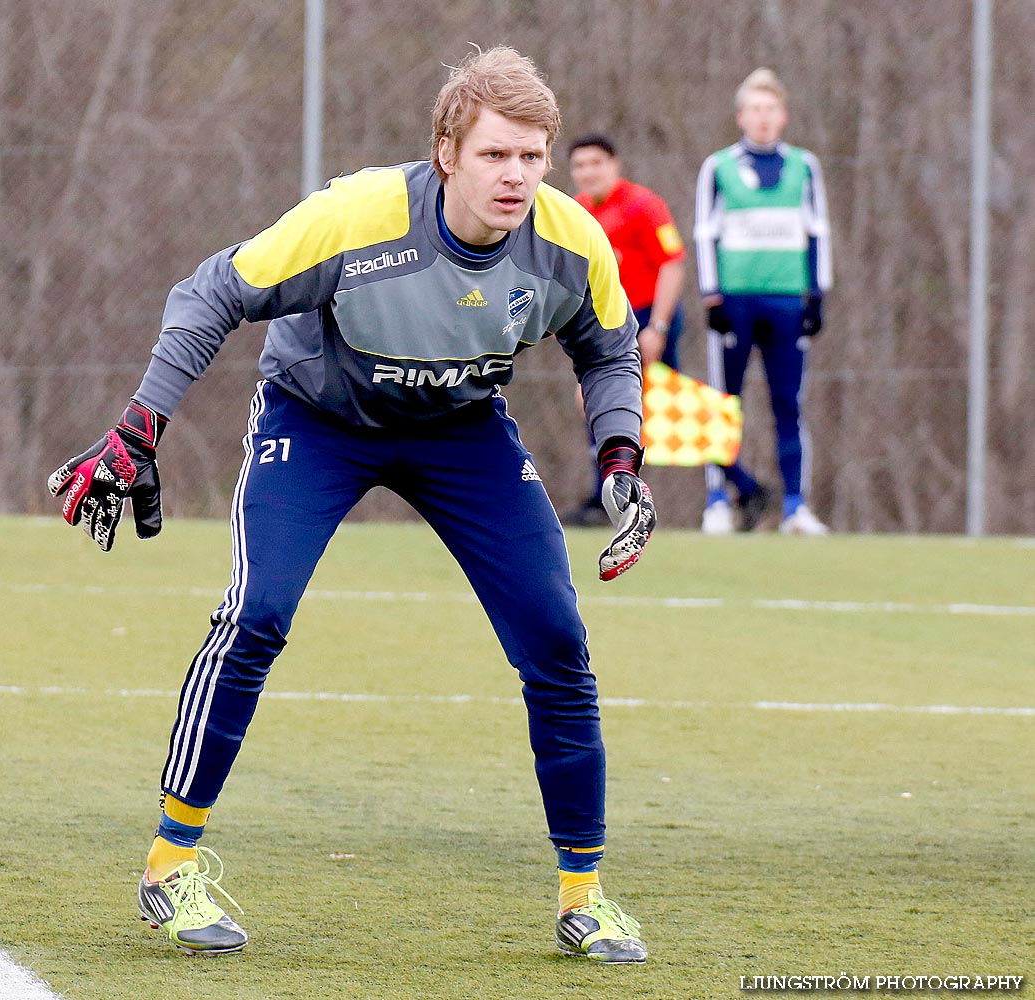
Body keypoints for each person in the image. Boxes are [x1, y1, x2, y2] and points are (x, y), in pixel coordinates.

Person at [48, 47, 656, 964]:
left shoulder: (571, 242)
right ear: (447, 150)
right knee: (256, 615)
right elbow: (210, 290)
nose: (518, 177)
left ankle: (585, 896)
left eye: (533, 157)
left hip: (459, 429)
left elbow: (610, 350)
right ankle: (168, 867)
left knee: (558, 642)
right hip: (318, 419)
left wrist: (620, 455)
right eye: (496, 155)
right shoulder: (356, 216)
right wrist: (140, 427)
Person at [693, 67, 832, 535]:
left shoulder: (804, 166)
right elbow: (705, 231)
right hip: (737, 301)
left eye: (771, 109)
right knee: (724, 401)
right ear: (740, 116)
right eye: (755, 109)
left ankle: (795, 505)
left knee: (788, 404)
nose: (763, 118)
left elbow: (817, 231)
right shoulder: (719, 167)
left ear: (784, 116)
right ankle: (717, 499)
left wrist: (817, 294)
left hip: (787, 301)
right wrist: (712, 297)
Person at [563, 135, 687, 526]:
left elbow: (672, 264)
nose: (588, 172)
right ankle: (609, 493)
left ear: (614, 165)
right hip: (606, 320)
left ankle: (740, 484)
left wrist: (658, 327)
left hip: (648, 317)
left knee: (670, 409)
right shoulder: (577, 211)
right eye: (580, 165)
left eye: (595, 163)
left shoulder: (643, 205)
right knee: (593, 401)